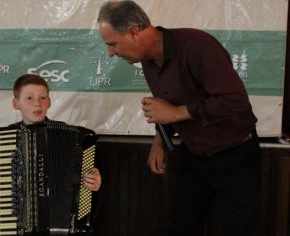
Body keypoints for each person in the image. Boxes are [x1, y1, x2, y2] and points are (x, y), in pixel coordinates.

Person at [97, 1, 261, 236]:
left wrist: (175, 113)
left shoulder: (197, 46)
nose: (111, 53)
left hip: (235, 155)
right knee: (182, 226)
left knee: (237, 229)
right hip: (194, 155)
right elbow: (166, 104)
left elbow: (235, 101)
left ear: (133, 32)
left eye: (112, 44)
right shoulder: (146, 59)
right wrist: (160, 141)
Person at [0, 74, 102, 236]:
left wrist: (93, 178)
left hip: (58, 218)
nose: (37, 103)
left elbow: (84, 172)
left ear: (49, 102)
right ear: (16, 104)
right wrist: (2, 178)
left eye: (43, 98)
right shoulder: (7, 137)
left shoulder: (72, 136)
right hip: (14, 214)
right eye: (29, 98)